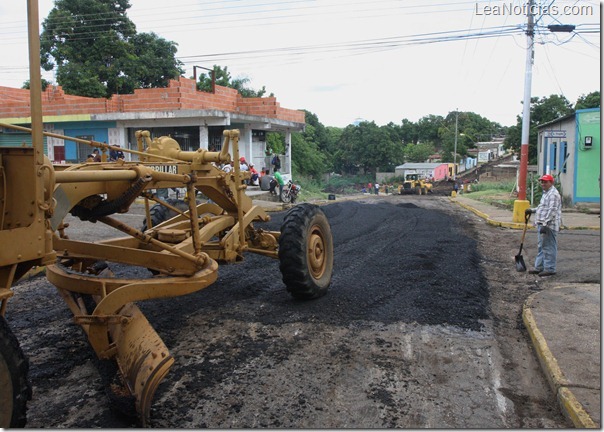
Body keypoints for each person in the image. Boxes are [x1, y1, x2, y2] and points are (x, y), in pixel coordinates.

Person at [525, 174, 562, 277]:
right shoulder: (546, 193)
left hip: (549, 225)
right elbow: (543, 208)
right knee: (542, 246)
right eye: (542, 182)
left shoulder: (553, 195)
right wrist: (532, 210)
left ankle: (550, 268)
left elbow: (552, 211)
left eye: (545, 182)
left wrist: (545, 224)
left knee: (548, 247)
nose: (543, 184)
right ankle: (539, 267)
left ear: (551, 182)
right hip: (542, 224)